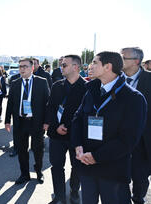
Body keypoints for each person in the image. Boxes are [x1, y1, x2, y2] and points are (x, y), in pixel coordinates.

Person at [71, 51, 147, 204]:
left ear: (107, 67)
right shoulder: (91, 91)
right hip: (87, 167)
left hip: (113, 172)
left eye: (94, 62)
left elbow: (128, 140)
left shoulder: (133, 98)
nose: (89, 66)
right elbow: (77, 119)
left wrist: (96, 157)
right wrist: (77, 145)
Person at [48, 55, 86, 204]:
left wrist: (68, 127)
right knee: (56, 166)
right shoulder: (57, 85)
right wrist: (56, 126)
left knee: (77, 167)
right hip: (56, 135)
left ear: (76, 67)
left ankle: (74, 191)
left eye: (64, 65)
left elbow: (85, 114)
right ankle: (59, 196)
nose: (61, 68)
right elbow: (50, 108)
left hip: (77, 136)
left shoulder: (87, 87)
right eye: (61, 65)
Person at [5, 58, 50, 185]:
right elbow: (10, 103)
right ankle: (24, 174)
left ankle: (39, 172)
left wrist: (47, 121)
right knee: (21, 150)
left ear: (32, 68)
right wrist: (7, 120)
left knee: (38, 149)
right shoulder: (15, 83)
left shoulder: (42, 82)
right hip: (20, 122)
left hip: (36, 122)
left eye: (25, 66)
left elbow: (48, 103)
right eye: (20, 66)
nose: (22, 69)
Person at [121, 47, 151, 204]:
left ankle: (138, 198)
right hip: (118, 139)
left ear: (136, 61)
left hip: (143, 140)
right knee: (118, 177)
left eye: (123, 58)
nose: (120, 60)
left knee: (140, 177)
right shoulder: (114, 79)